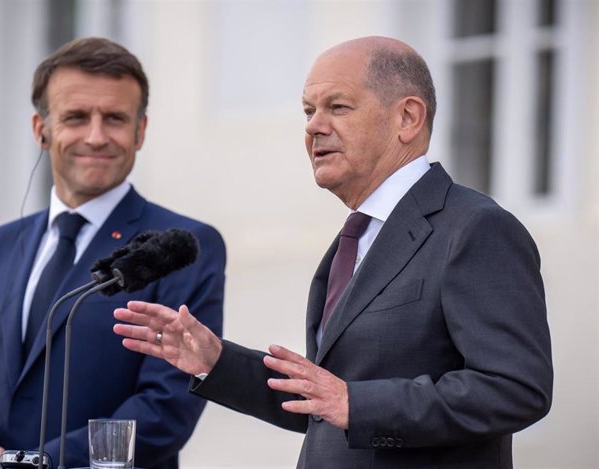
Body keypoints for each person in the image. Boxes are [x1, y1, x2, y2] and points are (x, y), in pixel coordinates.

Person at [112, 36, 553, 468]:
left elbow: (514, 388)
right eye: (308, 111)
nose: (312, 126)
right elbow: (322, 401)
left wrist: (356, 403)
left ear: (408, 118)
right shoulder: (357, 238)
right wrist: (217, 362)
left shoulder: (475, 228)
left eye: (337, 107)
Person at [0, 37, 226, 469]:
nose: (96, 136)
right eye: (77, 117)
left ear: (140, 131)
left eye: (116, 118)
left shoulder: (181, 247)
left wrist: (31, 462)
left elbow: (166, 406)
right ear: (40, 129)